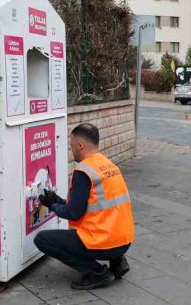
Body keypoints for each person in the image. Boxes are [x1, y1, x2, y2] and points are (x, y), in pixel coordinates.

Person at [34, 123, 134, 290]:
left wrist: (52, 205)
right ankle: (117, 262)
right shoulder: (108, 165)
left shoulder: (83, 172)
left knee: (42, 239)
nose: (71, 149)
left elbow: (73, 213)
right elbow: (88, 206)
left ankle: (97, 273)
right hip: (124, 241)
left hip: (104, 242)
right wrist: (57, 200)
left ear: (80, 145)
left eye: (71, 145)